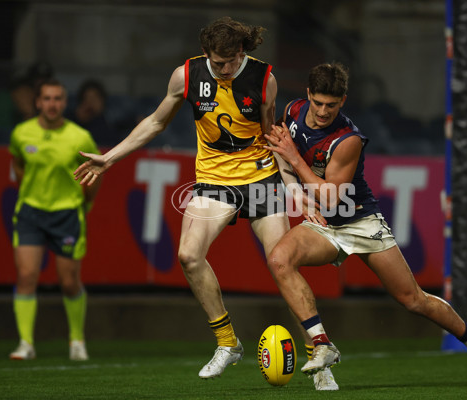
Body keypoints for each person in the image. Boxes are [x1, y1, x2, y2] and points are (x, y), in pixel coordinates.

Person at [72, 17, 337, 390]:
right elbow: (155, 122)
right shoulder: (187, 75)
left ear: (241, 53)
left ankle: (318, 359)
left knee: (283, 269)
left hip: (261, 179)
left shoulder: (264, 79)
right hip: (213, 180)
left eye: (228, 63)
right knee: (188, 256)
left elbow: (270, 136)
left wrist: (296, 191)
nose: (222, 70)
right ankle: (228, 343)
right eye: (215, 63)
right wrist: (110, 157)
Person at [264, 62, 467, 389]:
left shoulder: (347, 139)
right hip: (324, 225)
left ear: (343, 101)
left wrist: (293, 158)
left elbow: (332, 198)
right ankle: (322, 347)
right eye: (318, 103)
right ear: (307, 94)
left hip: (359, 220)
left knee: (413, 300)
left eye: (331, 105)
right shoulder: (292, 111)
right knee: (280, 259)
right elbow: (276, 149)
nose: (322, 111)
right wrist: (295, 188)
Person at [8, 78, 102, 361]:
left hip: (66, 213)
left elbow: (95, 172)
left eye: (58, 98)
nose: (52, 104)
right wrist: (31, 190)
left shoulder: (79, 137)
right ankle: (26, 343)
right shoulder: (21, 133)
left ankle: (76, 341)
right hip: (30, 213)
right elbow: (18, 163)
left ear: (65, 102)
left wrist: (85, 202)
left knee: (69, 282)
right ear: (38, 102)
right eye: (47, 98)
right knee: (26, 276)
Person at [69, 79, 116, 146]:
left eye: (94, 98)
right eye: (87, 98)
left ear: (102, 100)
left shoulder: (112, 121)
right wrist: (79, 120)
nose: (90, 102)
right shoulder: (74, 122)